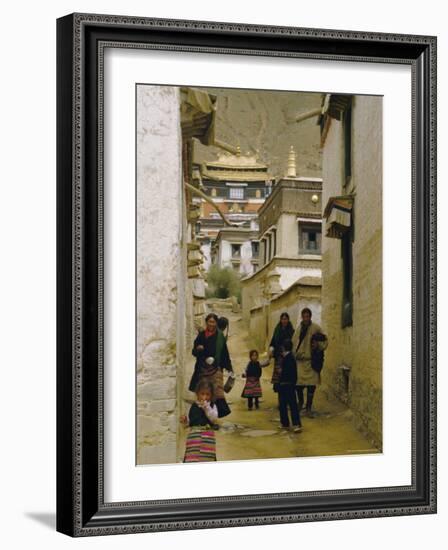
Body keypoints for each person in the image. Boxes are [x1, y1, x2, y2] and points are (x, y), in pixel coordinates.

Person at [189, 313, 234, 418]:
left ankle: (214, 417)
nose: (211, 324)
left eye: (213, 322)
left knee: (216, 393)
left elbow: (224, 353)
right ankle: (203, 418)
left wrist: (229, 367)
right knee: (204, 393)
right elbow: (194, 352)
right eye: (209, 322)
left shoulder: (220, 337)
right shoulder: (201, 335)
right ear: (206, 322)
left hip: (216, 368)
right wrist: (198, 349)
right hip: (202, 369)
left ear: (216, 323)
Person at [292, 308, 328, 418]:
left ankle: (308, 407)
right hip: (300, 362)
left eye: (308, 316)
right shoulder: (298, 329)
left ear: (310, 316)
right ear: (302, 317)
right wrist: (295, 354)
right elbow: (294, 343)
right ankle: (300, 403)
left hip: (312, 362)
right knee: (298, 385)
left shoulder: (316, 328)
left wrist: (318, 346)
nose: (306, 318)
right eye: (304, 316)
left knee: (311, 386)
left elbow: (325, 341)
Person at [181, 380, 218, 462]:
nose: (204, 397)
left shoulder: (212, 406)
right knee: (192, 457)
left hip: (208, 437)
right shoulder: (192, 406)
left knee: (207, 457)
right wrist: (185, 421)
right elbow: (188, 423)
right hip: (194, 437)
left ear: (211, 395)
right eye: (202, 394)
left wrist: (207, 408)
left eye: (207, 394)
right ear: (197, 394)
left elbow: (214, 418)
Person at [277, 339, 302, 432]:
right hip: (290, 385)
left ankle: (289, 424)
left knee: (285, 405)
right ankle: (293, 424)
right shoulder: (291, 357)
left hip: (286, 385)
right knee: (291, 405)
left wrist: (281, 372)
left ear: (283, 348)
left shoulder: (287, 358)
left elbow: (287, 372)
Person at [269, 312, 295, 393]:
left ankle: (286, 396)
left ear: (288, 320)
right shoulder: (277, 329)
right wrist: (271, 349)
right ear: (280, 320)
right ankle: (281, 398)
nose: (284, 321)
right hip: (278, 356)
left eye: (286, 319)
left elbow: (293, 342)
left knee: (286, 376)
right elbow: (273, 341)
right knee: (279, 377)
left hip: (287, 357)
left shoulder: (291, 330)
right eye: (283, 319)